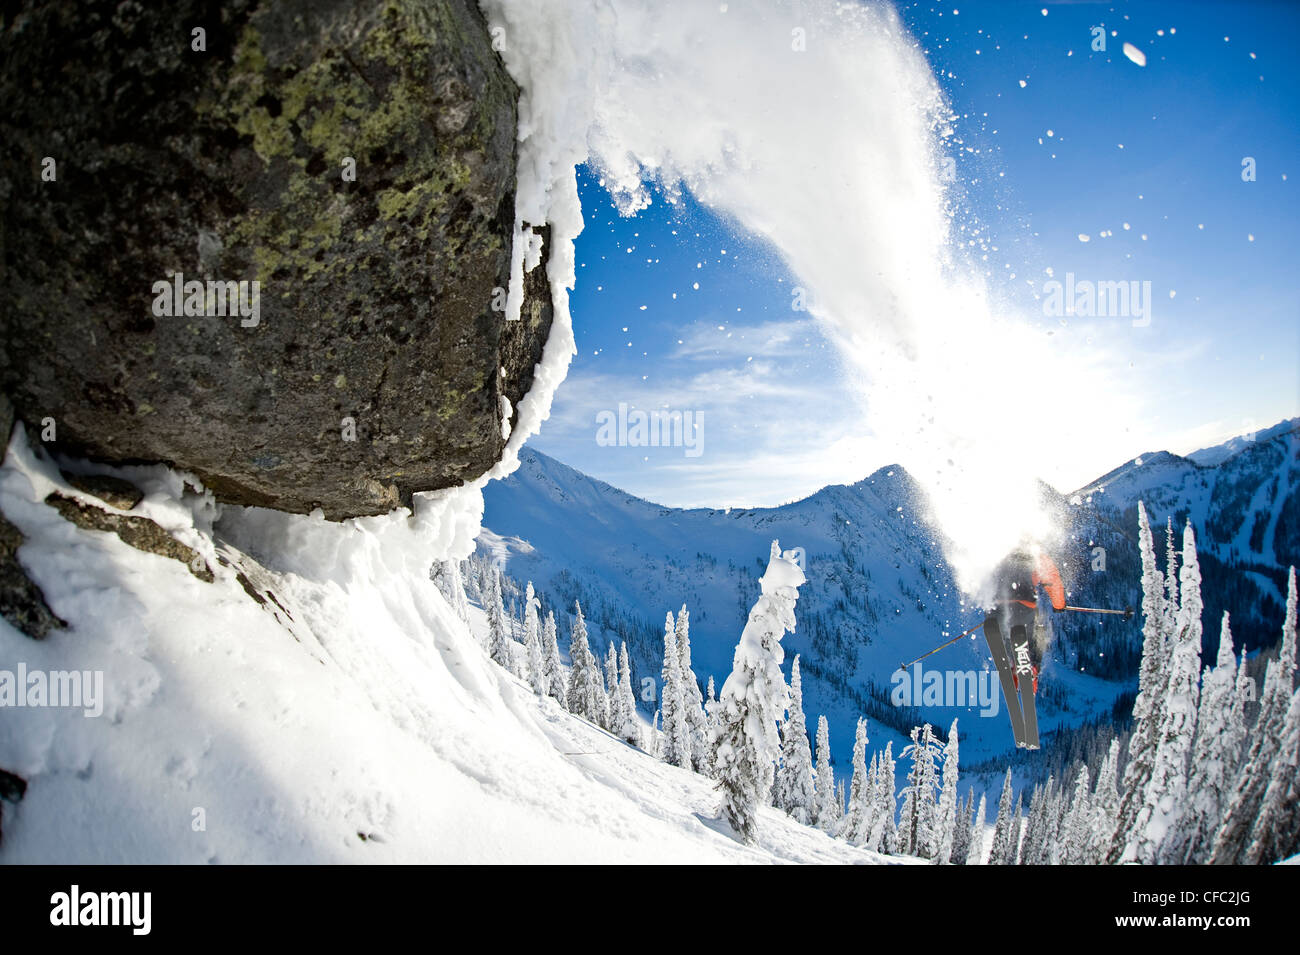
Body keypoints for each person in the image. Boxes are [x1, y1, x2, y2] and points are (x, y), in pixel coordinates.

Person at [982, 546, 1065, 749]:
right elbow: (1052, 579)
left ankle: (1013, 668)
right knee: (1036, 633)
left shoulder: (994, 548)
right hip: (1024, 607)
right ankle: (1031, 668)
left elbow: (981, 576)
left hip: (996, 607)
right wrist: (1059, 604)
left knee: (1007, 637)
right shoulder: (1036, 553)